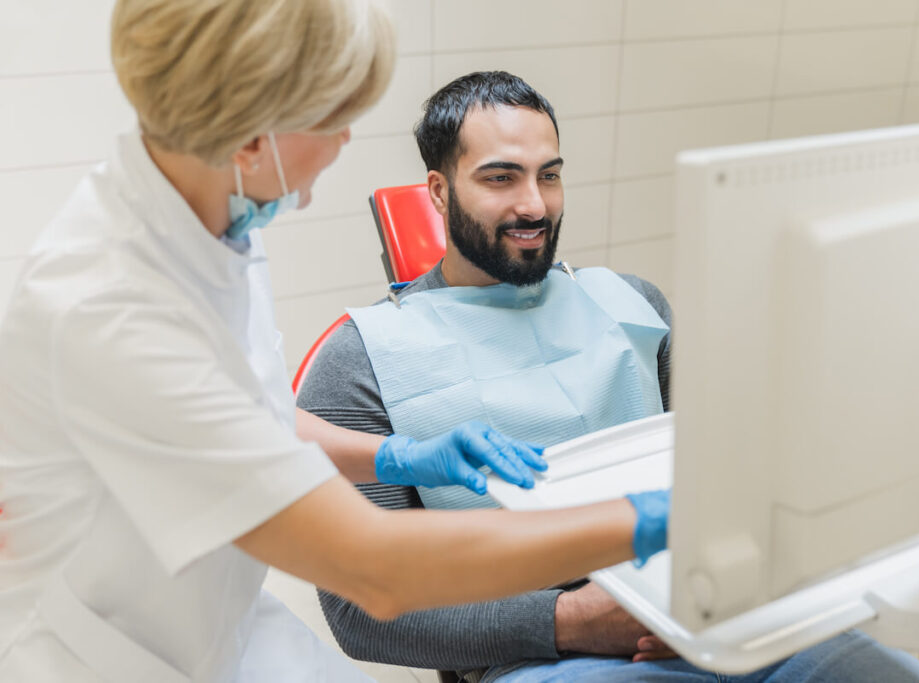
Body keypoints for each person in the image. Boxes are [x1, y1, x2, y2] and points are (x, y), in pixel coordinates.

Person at [0, 6, 670, 682]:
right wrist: (643, 521)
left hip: (221, 623)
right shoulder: (109, 312)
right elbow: (374, 571)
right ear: (250, 137)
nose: (348, 137)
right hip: (103, 653)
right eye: (332, 117)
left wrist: (395, 454)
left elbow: (244, 414)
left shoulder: (210, 210)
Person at [298, 71, 919, 683]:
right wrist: (571, 621)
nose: (533, 204)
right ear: (439, 191)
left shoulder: (632, 304)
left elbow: (729, 464)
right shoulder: (360, 362)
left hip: (706, 607)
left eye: (548, 176)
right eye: (501, 178)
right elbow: (359, 611)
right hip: (545, 653)